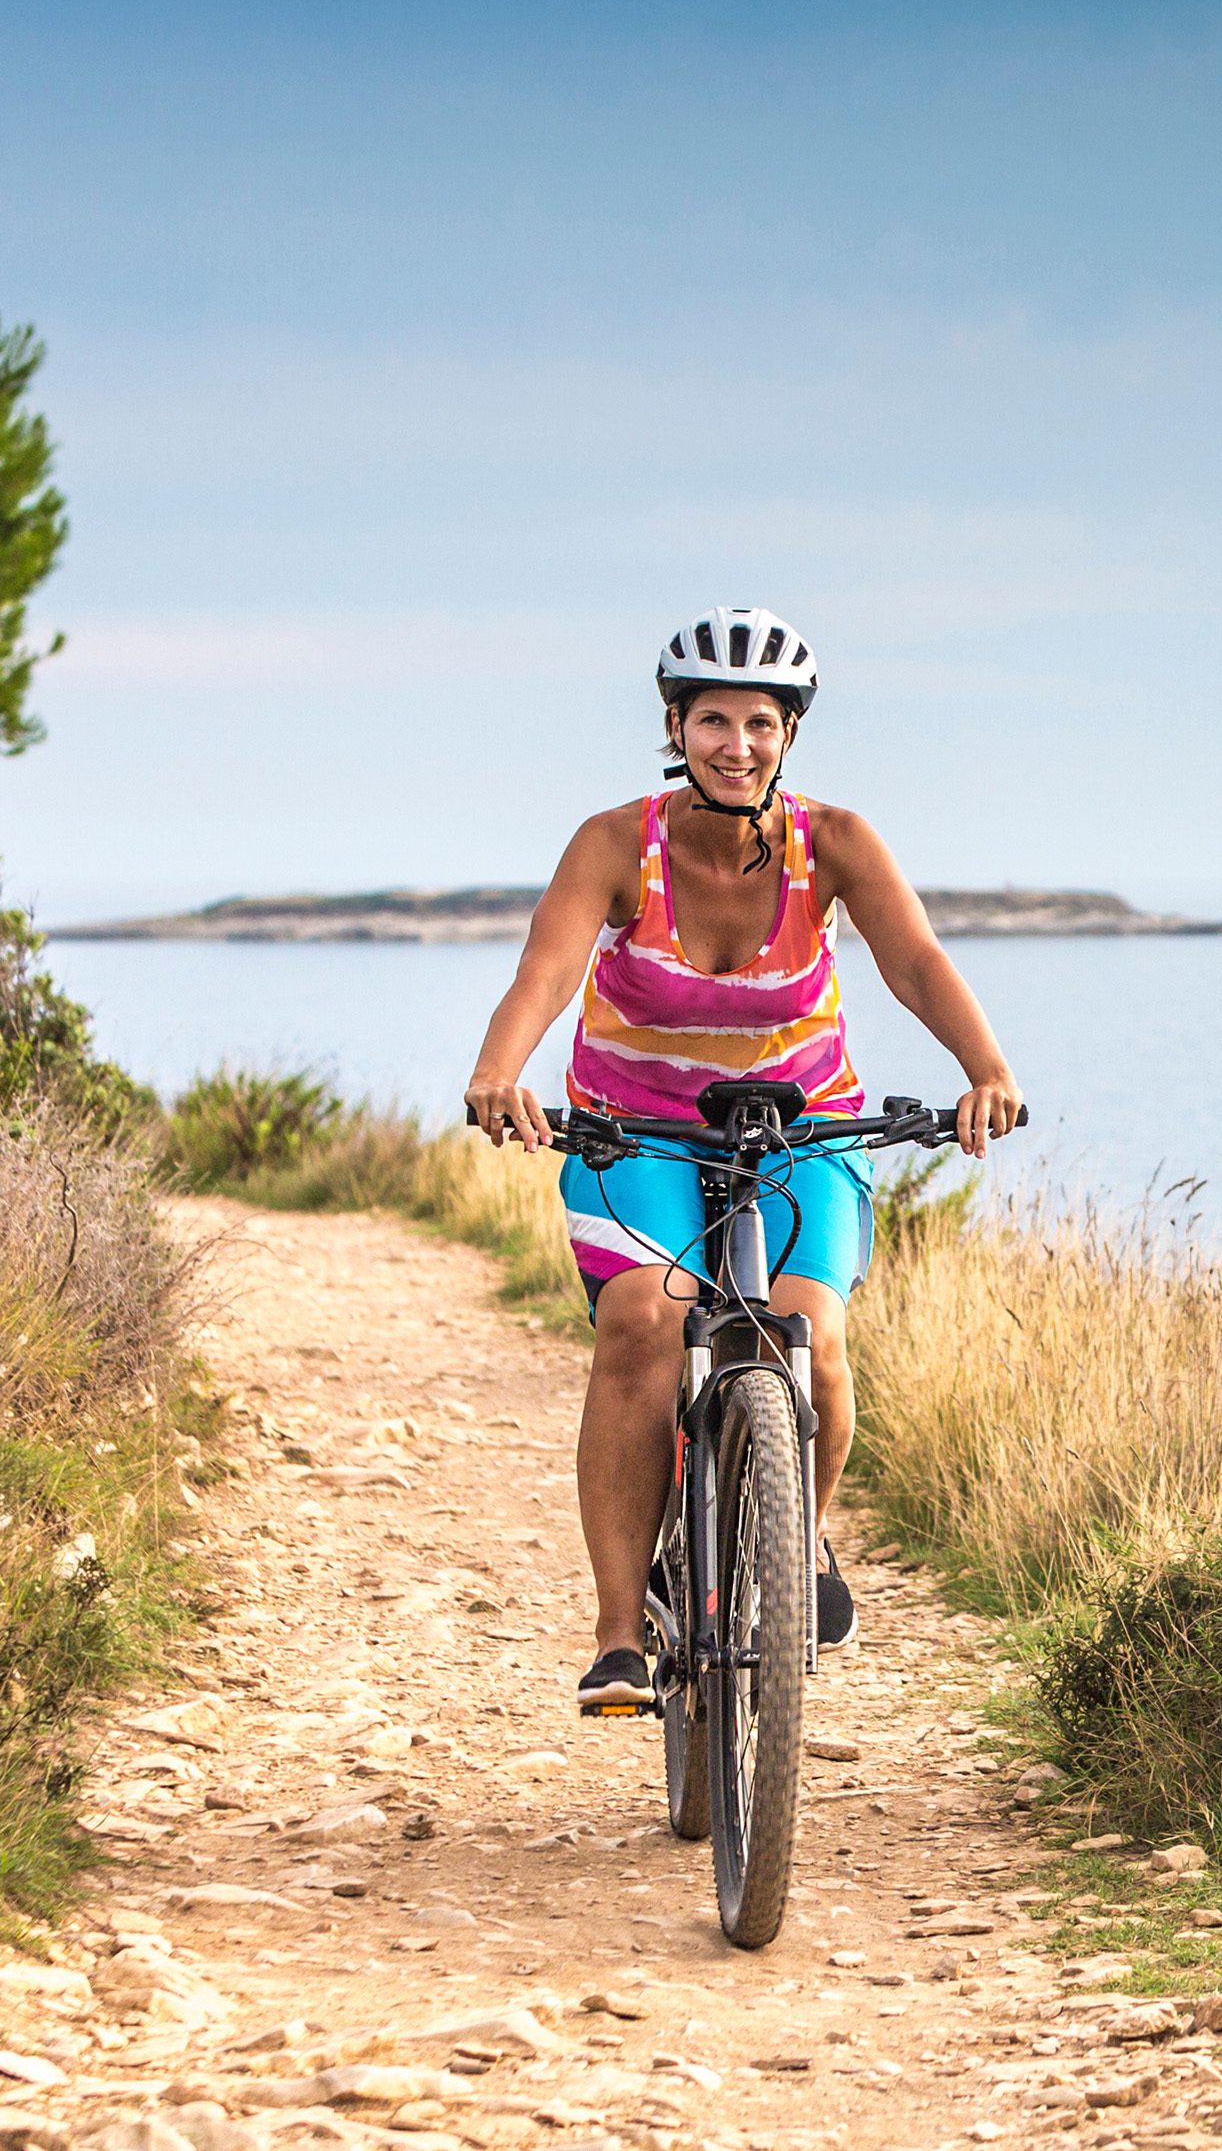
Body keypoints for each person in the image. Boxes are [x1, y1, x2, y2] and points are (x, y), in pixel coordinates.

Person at [462, 606, 1024, 1717]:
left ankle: (795, 1544)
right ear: (676, 726)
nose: (737, 744)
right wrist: (499, 1069)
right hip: (636, 1129)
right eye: (713, 720)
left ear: (788, 735)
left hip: (803, 1126)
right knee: (640, 1325)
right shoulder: (615, 843)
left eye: (759, 723)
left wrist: (987, 1069)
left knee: (808, 1340)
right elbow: (547, 969)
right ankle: (622, 1633)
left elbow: (913, 960)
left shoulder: (840, 844)